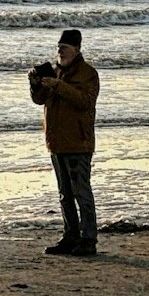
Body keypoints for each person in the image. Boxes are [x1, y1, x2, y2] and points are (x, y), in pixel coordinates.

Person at [31, 28, 101, 256]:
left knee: (81, 192)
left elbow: (85, 102)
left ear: (77, 49)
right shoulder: (55, 72)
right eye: (59, 48)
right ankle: (70, 236)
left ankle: (88, 238)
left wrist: (57, 85)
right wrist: (36, 85)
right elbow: (39, 100)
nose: (60, 51)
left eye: (64, 48)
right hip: (56, 141)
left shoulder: (88, 73)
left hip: (78, 142)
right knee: (64, 194)